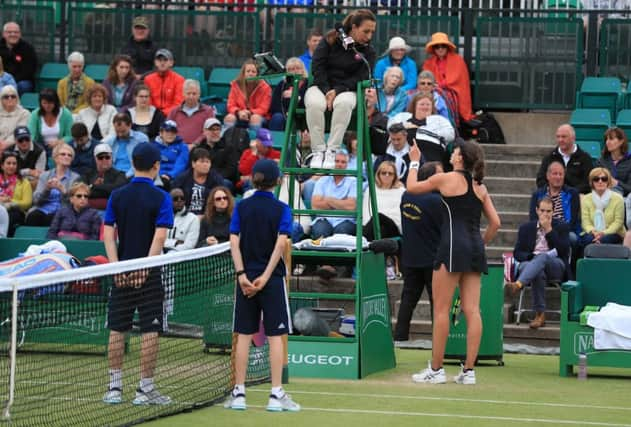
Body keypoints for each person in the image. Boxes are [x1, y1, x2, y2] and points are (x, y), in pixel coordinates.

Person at [406, 139, 500, 385]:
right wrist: (481, 243)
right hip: (474, 249)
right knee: (472, 310)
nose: (452, 153)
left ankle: (436, 370)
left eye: (455, 151)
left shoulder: (445, 179)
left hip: (451, 248)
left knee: (441, 310)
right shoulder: (480, 186)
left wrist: (415, 160)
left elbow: (411, 188)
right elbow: (495, 224)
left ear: (460, 158)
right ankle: (468, 371)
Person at [224, 158, 300, 412]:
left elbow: (233, 242)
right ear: (277, 181)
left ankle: (239, 393)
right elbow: (281, 244)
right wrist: (266, 277)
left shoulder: (242, 207)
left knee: (244, 335)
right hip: (271, 280)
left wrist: (241, 274)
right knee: (276, 336)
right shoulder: (282, 208)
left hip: (246, 280)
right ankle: (276, 394)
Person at [102, 142, 174, 406]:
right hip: (149, 275)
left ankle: (115, 388)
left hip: (120, 271)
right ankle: (144, 391)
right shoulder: (161, 197)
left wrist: (115, 266)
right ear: (156, 166)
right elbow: (160, 236)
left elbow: (109, 234)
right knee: (149, 331)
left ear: (133, 164)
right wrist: (145, 267)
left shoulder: (117, 195)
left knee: (117, 329)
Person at [305, 9, 376, 169]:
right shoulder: (329, 40)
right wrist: (326, 90)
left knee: (343, 104)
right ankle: (318, 151)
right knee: (315, 104)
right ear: (353, 27)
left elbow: (362, 76)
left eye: (372, 32)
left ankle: (332, 150)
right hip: (321, 86)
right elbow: (317, 67)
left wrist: (337, 91)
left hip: (348, 90)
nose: (369, 36)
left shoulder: (369, 51)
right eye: (366, 31)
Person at [394, 161, 444, 341]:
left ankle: (400, 337)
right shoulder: (438, 200)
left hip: (410, 257)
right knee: (437, 303)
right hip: (432, 259)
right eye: (440, 173)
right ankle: (438, 341)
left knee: (408, 300)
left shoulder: (406, 196)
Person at [506, 197, 570, 330]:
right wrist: (532, 257)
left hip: (554, 265)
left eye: (549, 211)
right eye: (542, 211)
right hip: (530, 264)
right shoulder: (526, 228)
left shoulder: (562, 226)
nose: (545, 214)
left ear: (553, 212)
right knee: (537, 270)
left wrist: (549, 231)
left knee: (542, 257)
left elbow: (563, 250)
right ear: (536, 210)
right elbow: (518, 253)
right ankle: (539, 315)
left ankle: (518, 284)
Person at [391, 92, 455, 171]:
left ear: (432, 107)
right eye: (422, 104)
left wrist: (419, 130)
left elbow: (450, 135)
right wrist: (405, 127)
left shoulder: (439, 120)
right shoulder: (402, 117)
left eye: (428, 105)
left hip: (431, 155)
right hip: (403, 153)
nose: (425, 107)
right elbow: (391, 128)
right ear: (414, 106)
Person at [422, 32, 474, 127]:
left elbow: (456, 80)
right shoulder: (428, 63)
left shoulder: (457, 60)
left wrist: (438, 86)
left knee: (443, 98)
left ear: (447, 47)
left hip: (452, 91)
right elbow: (426, 78)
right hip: (432, 89)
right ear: (434, 49)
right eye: (437, 46)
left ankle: (448, 125)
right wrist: (433, 86)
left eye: (443, 46)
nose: (440, 49)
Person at [25, 144, 81, 226]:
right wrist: (46, 190)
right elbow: (36, 201)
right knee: (33, 216)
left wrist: (63, 191)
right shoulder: (44, 176)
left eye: (69, 155)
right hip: (43, 209)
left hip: (63, 211)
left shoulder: (76, 178)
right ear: (55, 158)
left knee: (52, 218)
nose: (66, 156)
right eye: (63, 154)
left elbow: (77, 203)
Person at [530, 160, 581, 248]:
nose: (558, 177)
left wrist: (553, 229)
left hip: (565, 230)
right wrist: (545, 228)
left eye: (560, 174)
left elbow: (572, 220)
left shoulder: (572, 194)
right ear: (548, 176)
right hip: (541, 229)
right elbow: (533, 218)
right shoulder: (538, 194)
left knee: (572, 238)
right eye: (555, 174)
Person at [311, 150, 357, 238]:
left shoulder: (353, 182)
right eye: (336, 161)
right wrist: (341, 202)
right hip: (323, 219)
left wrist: (328, 200)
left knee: (341, 232)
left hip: (346, 220)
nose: (339, 164)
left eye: (343, 162)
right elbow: (315, 206)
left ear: (347, 165)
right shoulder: (322, 180)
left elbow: (351, 206)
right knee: (320, 232)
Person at [535, 124, 593, 194]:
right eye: (558, 137)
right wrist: (554, 192)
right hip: (552, 197)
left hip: (577, 198)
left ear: (573, 138)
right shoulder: (549, 157)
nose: (560, 140)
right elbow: (541, 180)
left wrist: (570, 193)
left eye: (564, 137)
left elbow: (587, 183)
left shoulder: (585, 158)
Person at [579, 167, 625, 247]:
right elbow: (585, 222)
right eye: (596, 179)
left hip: (614, 233)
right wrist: (593, 232)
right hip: (592, 232)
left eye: (604, 179)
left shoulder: (618, 198)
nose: (600, 181)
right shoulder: (586, 199)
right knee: (587, 240)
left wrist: (603, 233)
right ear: (592, 182)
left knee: (604, 240)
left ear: (608, 182)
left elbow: (618, 223)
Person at [172, 146, 224, 216]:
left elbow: (221, 202)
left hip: (209, 217)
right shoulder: (182, 179)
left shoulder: (217, 180)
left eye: (208, 162)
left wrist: (206, 216)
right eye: (202, 161)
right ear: (193, 164)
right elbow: (173, 201)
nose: (205, 164)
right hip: (184, 216)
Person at [362, 160, 405, 241]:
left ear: (395, 176)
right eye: (384, 173)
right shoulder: (371, 190)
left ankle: (361, 243)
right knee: (381, 230)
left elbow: (399, 214)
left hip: (394, 226)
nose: (387, 175)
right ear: (378, 174)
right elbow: (366, 211)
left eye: (390, 173)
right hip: (374, 226)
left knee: (378, 216)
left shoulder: (401, 191)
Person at [167, 79, 216, 146]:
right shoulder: (174, 111)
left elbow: (209, 131)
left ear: (199, 94)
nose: (191, 97)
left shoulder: (208, 111)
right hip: (176, 146)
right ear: (183, 94)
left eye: (194, 93)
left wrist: (194, 144)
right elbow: (167, 130)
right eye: (188, 93)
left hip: (199, 148)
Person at [225, 59, 272, 126]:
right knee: (229, 118)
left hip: (258, 116)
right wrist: (239, 112)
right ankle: (229, 136)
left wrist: (249, 112)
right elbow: (231, 105)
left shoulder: (265, 88)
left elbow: (263, 109)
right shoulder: (236, 85)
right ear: (243, 73)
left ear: (257, 74)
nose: (250, 74)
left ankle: (254, 136)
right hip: (240, 114)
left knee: (254, 118)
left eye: (253, 72)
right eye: (248, 71)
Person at [103, 112, 150, 178]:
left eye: (123, 131)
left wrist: (126, 176)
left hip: (134, 174)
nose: (120, 135)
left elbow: (143, 162)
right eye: (117, 131)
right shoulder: (109, 140)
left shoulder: (141, 139)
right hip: (114, 175)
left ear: (130, 125)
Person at [26, 88, 73, 153]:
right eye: (44, 103)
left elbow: (70, 135)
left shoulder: (66, 114)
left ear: (56, 102)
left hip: (61, 146)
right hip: (41, 147)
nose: (47, 106)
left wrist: (58, 142)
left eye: (50, 103)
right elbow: (31, 135)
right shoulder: (35, 114)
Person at [84, 143, 128, 210]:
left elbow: (116, 190)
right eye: (100, 157)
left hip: (112, 211)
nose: (104, 160)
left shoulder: (120, 174)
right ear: (95, 159)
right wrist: (106, 189)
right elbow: (81, 191)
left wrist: (93, 186)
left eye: (107, 157)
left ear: (112, 158)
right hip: (89, 211)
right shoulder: (88, 174)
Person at [197, 118, 239, 186]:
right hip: (203, 178)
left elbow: (231, 169)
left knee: (224, 183)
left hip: (222, 179)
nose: (215, 132)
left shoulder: (228, 147)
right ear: (204, 131)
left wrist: (214, 178)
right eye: (212, 129)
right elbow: (193, 167)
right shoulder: (198, 149)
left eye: (218, 129)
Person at [269, 57, 308, 131]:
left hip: (302, 116)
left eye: (298, 68)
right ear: (287, 72)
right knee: (277, 117)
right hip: (284, 116)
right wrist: (286, 113)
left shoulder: (308, 84)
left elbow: (308, 103)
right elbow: (274, 105)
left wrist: (297, 97)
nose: (295, 71)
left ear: (303, 70)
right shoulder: (282, 84)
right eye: (291, 69)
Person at [144, 49, 184, 116]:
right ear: (155, 62)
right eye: (159, 60)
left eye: (165, 60)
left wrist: (162, 113)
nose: (162, 63)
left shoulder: (179, 80)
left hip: (172, 116)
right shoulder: (148, 79)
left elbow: (178, 103)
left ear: (171, 63)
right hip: (151, 115)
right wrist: (155, 114)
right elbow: (146, 100)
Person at [0, 22, 38, 94]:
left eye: (16, 32)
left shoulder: (28, 48)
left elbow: (29, 71)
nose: (13, 34)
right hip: (1, 79)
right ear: (4, 34)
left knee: (23, 86)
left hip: (21, 81)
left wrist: (11, 81)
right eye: (9, 32)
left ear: (20, 34)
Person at [0, 150, 32, 236]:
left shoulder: (24, 182)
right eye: (8, 163)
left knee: (12, 216)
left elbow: (27, 203)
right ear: (2, 165)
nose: (11, 166)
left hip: (16, 212)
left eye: (14, 164)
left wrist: (10, 201)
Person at [153, 120, 189, 188]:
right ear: (161, 133)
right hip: (156, 177)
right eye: (167, 131)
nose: (170, 134)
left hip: (175, 178)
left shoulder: (182, 146)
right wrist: (159, 175)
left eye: (173, 132)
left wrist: (169, 175)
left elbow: (181, 164)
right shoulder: (153, 146)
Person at [597, 127, 631, 196]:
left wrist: (616, 183)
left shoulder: (629, 161)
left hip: (624, 197)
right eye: (606, 139)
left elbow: (629, 188)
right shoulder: (601, 161)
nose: (607, 142)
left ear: (621, 141)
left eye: (611, 139)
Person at [0, 84, 30, 152]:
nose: (10, 98)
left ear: (17, 98)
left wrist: (3, 145)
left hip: (16, 147)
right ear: (1, 99)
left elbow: (20, 133)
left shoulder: (24, 114)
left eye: (13, 96)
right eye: (6, 97)